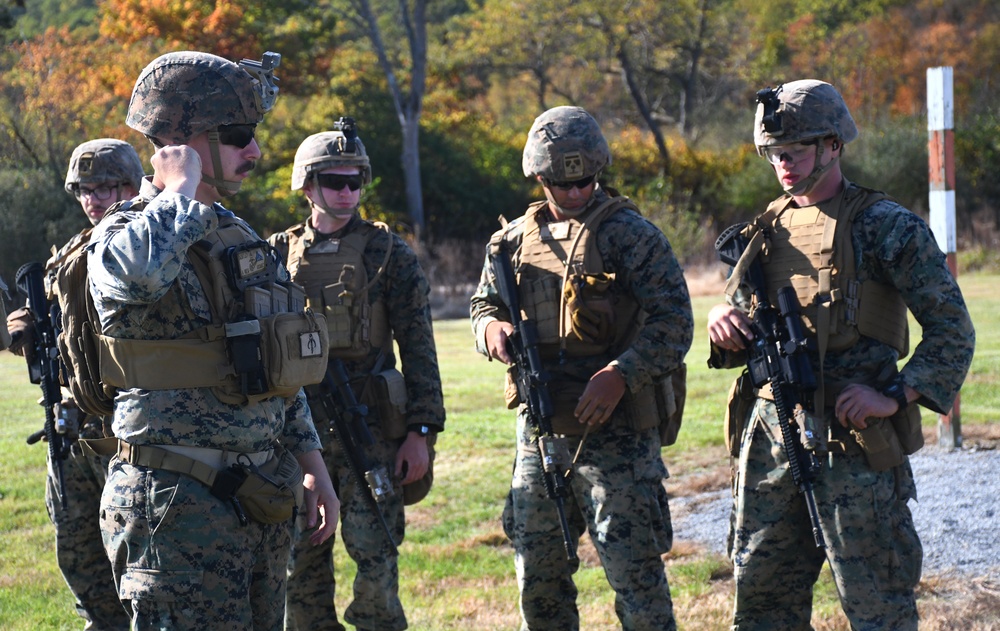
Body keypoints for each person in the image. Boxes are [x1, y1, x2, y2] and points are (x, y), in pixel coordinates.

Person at [706, 79, 976, 630]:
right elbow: (742, 324)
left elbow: (952, 329)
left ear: (832, 145)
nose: (783, 164)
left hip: (854, 446)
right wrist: (722, 324)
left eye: (796, 150)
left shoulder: (884, 226)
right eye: (774, 154)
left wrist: (894, 395)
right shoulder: (765, 230)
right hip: (773, 438)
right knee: (761, 606)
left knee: (878, 608)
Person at [86, 50, 339, 630]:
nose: (254, 151)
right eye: (238, 136)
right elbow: (136, 275)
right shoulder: (126, 227)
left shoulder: (236, 233)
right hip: (172, 506)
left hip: (256, 497)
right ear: (182, 141)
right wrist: (178, 191)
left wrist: (313, 464)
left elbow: (275, 360)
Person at [470, 105, 693, 631]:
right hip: (541, 431)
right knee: (539, 577)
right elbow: (485, 304)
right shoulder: (510, 243)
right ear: (539, 177)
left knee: (636, 580)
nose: (573, 194)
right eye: (560, 183)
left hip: (616, 434)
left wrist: (622, 373)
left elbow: (674, 323)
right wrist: (490, 332)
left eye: (584, 182)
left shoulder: (631, 236)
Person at [270, 119, 446, 631]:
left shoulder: (388, 252)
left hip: (372, 432)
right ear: (307, 186)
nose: (347, 192)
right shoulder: (275, 254)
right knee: (299, 571)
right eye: (334, 182)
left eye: (355, 181)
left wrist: (421, 432)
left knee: (376, 569)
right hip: (299, 434)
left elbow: (419, 348)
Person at [5, 138, 143, 630]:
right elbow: (54, 318)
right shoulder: (70, 251)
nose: (94, 199)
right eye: (85, 189)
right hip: (71, 428)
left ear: (132, 185)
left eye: (107, 186)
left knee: (136, 561)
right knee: (79, 550)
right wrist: (25, 323)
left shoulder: (148, 245)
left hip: (128, 432)